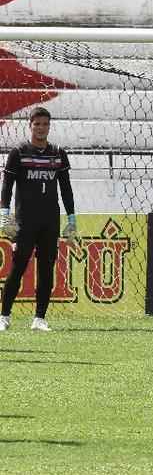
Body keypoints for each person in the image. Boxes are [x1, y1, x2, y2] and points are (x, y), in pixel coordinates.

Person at [0, 107, 78, 331]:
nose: (41, 128)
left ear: (49, 126)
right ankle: (4, 316)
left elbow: (66, 188)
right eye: (37, 124)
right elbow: (7, 186)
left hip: (50, 221)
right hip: (25, 221)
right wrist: (4, 215)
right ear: (30, 125)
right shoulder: (19, 152)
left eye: (45, 124)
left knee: (46, 269)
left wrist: (72, 219)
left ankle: (39, 319)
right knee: (18, 267)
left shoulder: (58, 153)